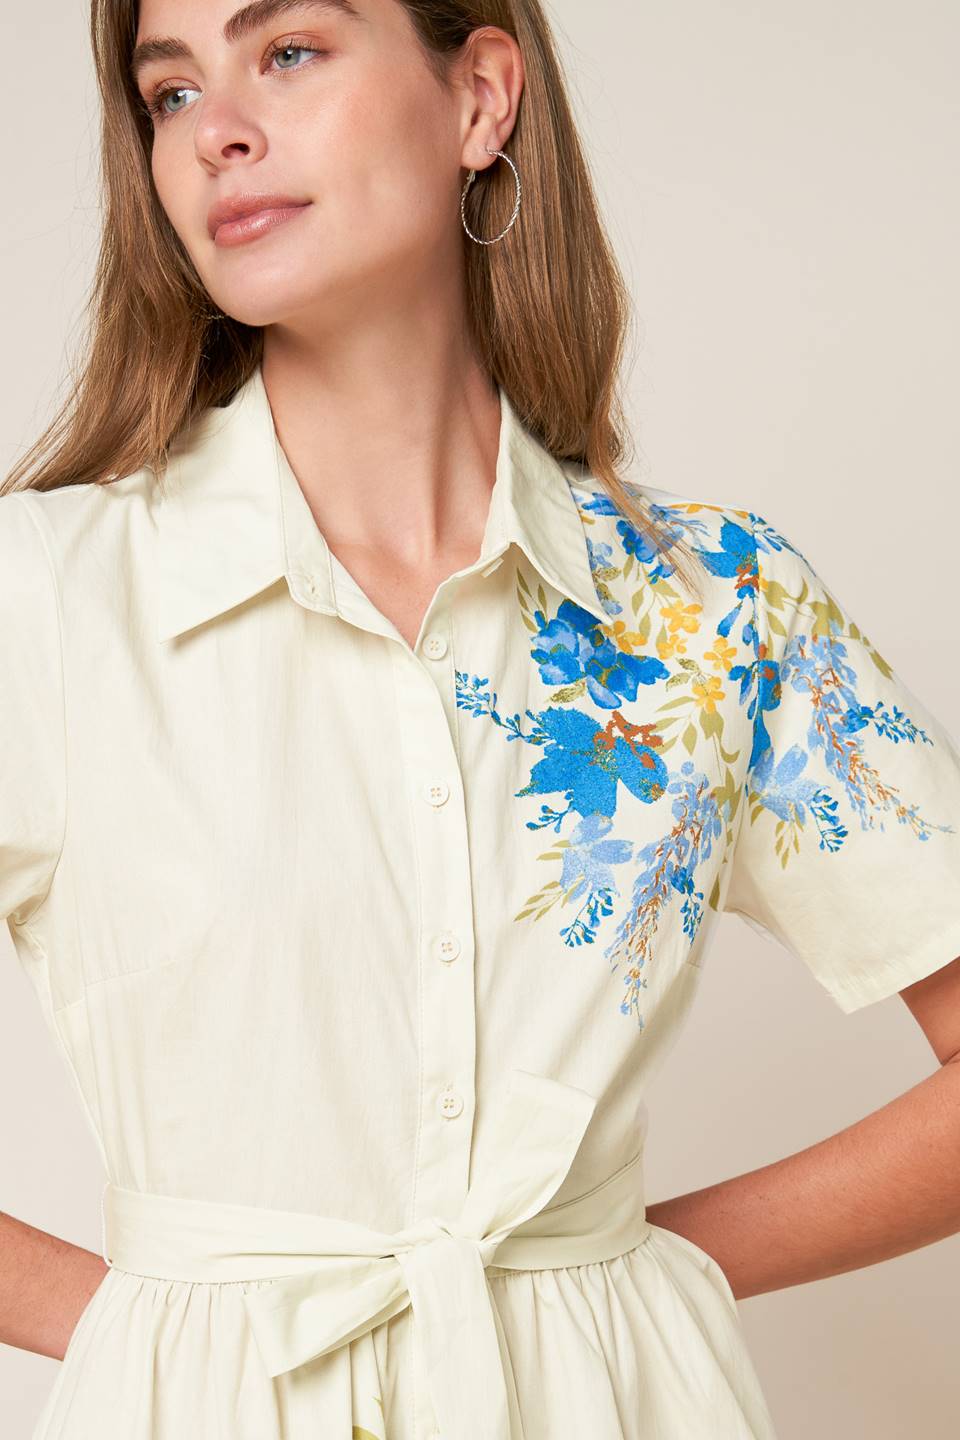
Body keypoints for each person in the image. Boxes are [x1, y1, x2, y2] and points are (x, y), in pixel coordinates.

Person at [2, 1, 959, 1437]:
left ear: (480, 99)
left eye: (288, 52)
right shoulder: (44, 602)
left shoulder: (714, 606)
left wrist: (644, 1266)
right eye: (170, 93)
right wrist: (143, 1330)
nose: (218, 133)